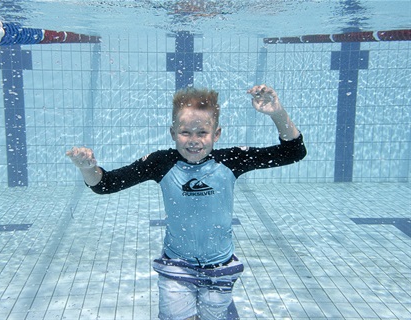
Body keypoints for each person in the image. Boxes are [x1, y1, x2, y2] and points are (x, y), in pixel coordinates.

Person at [66, 84, 306, 320]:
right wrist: (88, 168)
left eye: (202, 133)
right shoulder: (161, 162)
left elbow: (293, 152)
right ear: (173, 133)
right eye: (185, 133)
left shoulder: (231, 160)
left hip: (220, 268)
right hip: (176, 267)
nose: (194, 140)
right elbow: (105, 184)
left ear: (216, 134)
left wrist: (277, 113)